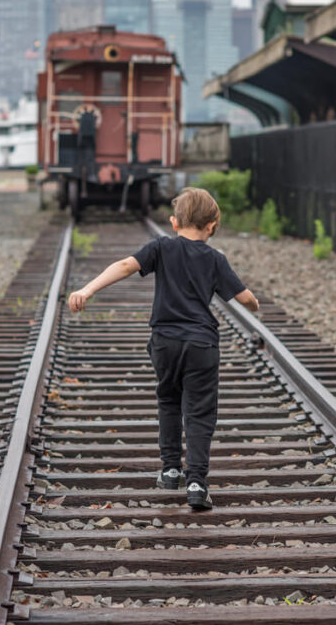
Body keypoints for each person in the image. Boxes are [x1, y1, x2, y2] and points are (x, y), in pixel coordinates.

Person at [67, 188, 260, 510]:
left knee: (169, 401)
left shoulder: (161, 248)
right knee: (199, 412)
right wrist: (255, 305)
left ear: (173, 222)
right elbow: (244, 298)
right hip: (201, 343)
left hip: (165, 342)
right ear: (212, 225)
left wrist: (87, 290)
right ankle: (196, 483)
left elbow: (126, 265)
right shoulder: (215, 259)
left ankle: (170, 470)